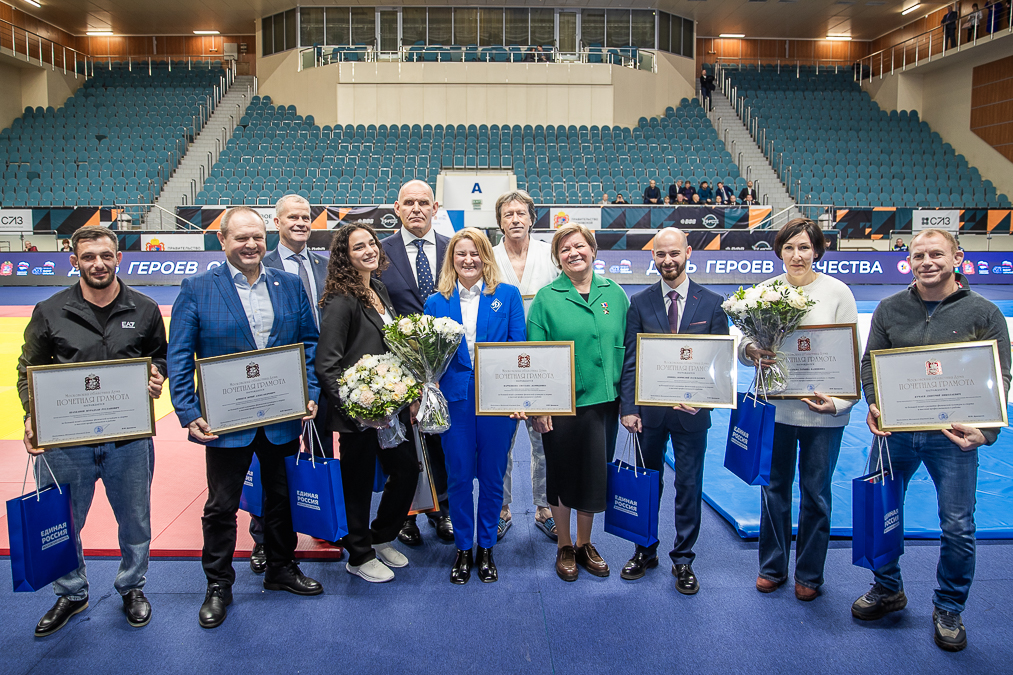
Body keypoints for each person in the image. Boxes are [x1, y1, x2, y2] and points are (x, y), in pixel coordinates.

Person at [853, 228, 1011, 652]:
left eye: (936, 253)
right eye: (919, 254)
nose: (927, 261)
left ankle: (949, 607)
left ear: (956, 256)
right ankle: (888, 589)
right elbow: (871, 365)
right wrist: (874, 404)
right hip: (896, 432)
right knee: (879, 510)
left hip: (954, 437)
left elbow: (999, 377)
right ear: (909, 260)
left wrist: (988, 431)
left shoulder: (985, 313)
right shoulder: (889, 308)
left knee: (957, 527)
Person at [168, 206, 322, 629]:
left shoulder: (288, 285)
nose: (251, 245)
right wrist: (187, 411)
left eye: (257, 237)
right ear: (223, 241)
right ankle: (218, 584)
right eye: (241, 238)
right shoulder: (198, 287)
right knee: (221, 506)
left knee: (280, 498)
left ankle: (281, 568)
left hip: (280, 415)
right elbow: (179, 355)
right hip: (225, 420)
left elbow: (309, 342)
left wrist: (309, 392)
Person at [18, 225, 167, 637]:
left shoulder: (145, 308)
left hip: (129, 438)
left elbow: (160, 358)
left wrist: (158, 376)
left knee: (135, 520)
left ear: (118, 257)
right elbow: (27, 371)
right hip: (66, 440)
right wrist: (32, 416)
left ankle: (132, 586)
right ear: (74, 261)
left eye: (106, 255)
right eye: (88, 257)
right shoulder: (50, 310)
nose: (98, 264)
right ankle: (71, 591)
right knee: (63, 520)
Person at [741, 218, 858, 602]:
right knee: (774, 489)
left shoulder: (838, 293)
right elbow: (745, 343)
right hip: (776, 409)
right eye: (789, 248)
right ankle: (772, 567)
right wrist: (751, 352)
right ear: (779, 251)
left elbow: (850, 356)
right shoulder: (763, 292)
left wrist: (839, 402)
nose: (797, 255)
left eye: (805, 247)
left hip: (824, 413)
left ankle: (809, 572)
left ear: (818, 250)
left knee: (816, 493)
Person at [619, 228, 728, 592]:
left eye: (674, 254)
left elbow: (720, 363)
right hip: (648, 413)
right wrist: (629, 407)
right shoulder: (640, 302)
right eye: (660, 254)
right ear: (653, 256)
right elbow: (631, 360)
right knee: (647, 485)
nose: (667, 260)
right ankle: (644, 549)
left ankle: (683, 559)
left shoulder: (713, 303)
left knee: (689, 485)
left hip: (692, 413)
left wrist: (705, 397)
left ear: (688, 253)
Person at [315, 224, 420, 583]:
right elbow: (326, 363)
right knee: (356, 485)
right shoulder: (341, 299)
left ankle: (382, 536)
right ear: (345, 256)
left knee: (407, 471)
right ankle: (358, 555)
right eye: (359, 247)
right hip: (358, 413)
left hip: (391, 409)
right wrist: (356, 411)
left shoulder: (377, 288)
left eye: (372, 243)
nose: (369, 250)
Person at [527, 224, 630, 581]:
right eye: (565, 248)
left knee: (593, 475)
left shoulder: (615, 294)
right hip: (561, 406)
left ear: (593, 250)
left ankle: (586, 543)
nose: (573, 253)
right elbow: (536, 356)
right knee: (561, 476)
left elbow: (629, 350)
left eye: (579, 246)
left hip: (604, 404)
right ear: (557, 257)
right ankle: (564, 545)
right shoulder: (546, 297)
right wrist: (540, 406)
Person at [426, 228, 526, 583]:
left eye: (475, 253)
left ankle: (486, 547)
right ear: (451, 259)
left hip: (498, 401)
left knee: (492, 476)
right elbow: (429, 359)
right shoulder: (435, 302)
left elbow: (519, 349)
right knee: (458, 476)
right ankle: (463, 548)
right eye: (460, 254)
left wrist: (517, 397)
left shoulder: (508, 296)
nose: (468, 260)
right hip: (454, 400)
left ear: (486, 257)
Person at [247, 193, 339, 574]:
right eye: (293, 217)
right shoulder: (259, 263)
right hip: (277, 376)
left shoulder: (324, 264)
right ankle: (263, 537)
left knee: (322, 448)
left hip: (324, 373)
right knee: (270, 455)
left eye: (306, 217)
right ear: (277, 222)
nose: (301, 223)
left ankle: (322, 522)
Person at [379, 179, 454, 546]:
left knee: (442, 443)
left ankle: (443, 510)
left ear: (435, 208)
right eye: (408, 202)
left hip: (447, 368)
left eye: (423, 202)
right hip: (397, 368)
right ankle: (407, 516)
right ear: (397, 208)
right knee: (404, 448)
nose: (416, 209)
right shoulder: (379, 252)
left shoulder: (453, 250)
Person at [491, 190, 560, 541]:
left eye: (521, 213)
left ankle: (544, 506)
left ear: (532, 218)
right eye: (508, 214)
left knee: (543, 438)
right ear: (499, 221)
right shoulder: (488, 255)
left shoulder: (551, 253)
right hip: (501, 362)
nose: (515, 219)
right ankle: (501, 507)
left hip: (544, 362)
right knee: (500, 442)